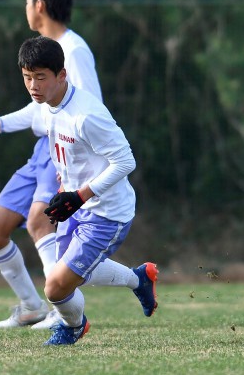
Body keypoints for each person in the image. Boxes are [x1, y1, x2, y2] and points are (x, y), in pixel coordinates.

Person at [0, 0, 102, 329]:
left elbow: (90, 109)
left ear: (38, 5)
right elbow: (44, 107)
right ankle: (30, 306)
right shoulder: (47, 52)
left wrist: (69, 162)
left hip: (61, 151)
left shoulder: (73, 50)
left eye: (26, 3)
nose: (26, 9)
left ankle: (62, 311)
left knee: (41, 221)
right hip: (41, 150)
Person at [17, 35, 157, 345]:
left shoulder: (87, 114)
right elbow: (66, 150)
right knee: (66, 279)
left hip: (108, 213)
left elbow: (125, 162)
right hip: (78, 206)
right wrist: (64, 184)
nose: (33, 86)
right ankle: (139, 279)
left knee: (55, 287)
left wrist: (80, 195)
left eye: (41, 77)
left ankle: (73, 327)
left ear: (62, 75)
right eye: (28, 77)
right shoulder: (46, 105)